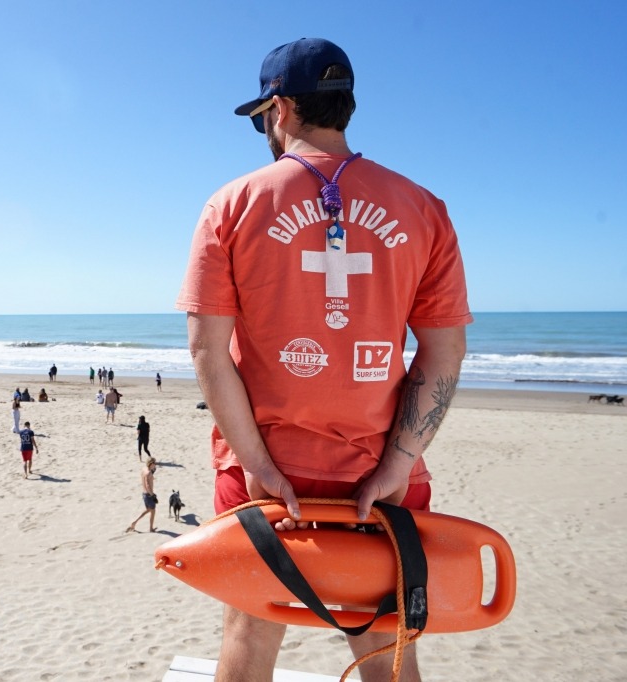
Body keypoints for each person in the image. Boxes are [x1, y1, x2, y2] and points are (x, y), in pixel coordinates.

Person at [176, 38, 471, 682]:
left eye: (261, 119)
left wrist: (257, 466)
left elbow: (206, 351)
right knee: (385, 649)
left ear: (280, 109)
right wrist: (397, 465)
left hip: (264, 472)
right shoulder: (423, 208)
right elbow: (443, 350)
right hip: (383, 474)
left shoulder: (230, 205)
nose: (263, 130)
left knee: (250, 637)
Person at [126, 457, 158, 533]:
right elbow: (147, 485)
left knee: (148, 510)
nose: (155, 465)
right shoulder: (149, 473)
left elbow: (145, 479)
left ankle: (134, 522)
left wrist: (152, 473)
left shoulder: (144, 469)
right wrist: (152, 495)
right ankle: (151, 528)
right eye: (154, 463)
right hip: (149, 495)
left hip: (144, 494)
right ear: (151, 464)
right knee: (153, 511)